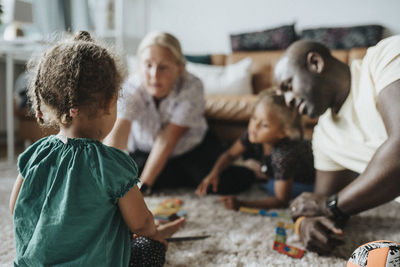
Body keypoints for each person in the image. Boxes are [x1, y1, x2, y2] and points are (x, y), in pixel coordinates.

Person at [9, 31, 185, 267]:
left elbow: (16, 208)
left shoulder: (35, 153)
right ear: (107, 105)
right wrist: (154, 233)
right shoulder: (112, 163)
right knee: (150, 248)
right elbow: (141, 223)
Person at [274, 35, 400, 255]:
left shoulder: (385, 56)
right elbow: (321, 204)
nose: (288, 101)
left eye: (288, 86)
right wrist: (306, 223)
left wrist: (330, 205)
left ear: (316, 63)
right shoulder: (323, 137)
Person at [105, 31, 253, 195]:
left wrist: (144, 187)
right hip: (145, 150)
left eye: (163, 67)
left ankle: (251, 167)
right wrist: (106, 175)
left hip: (191, 149)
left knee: (218, 185)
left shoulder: (192, 86)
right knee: (126, 178)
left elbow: (167, 140)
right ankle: (174, 175)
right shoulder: (131, 87)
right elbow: (119, 132)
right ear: (140, 66)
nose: (154, 75)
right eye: (148, 65)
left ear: (179, 68)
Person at [196, 90, 315, 211]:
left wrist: (242, 204)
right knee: (257, 171)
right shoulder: (252, 134)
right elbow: (230, 155)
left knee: (271, 187)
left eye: (264, 125)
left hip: (309, 182)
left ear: (283, 133)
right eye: (254, 118)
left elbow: (282, 200)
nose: (254, 127)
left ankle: (265, 174)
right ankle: (264, 172)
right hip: (279, 166)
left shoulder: (283, 155)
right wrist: (213, 173)